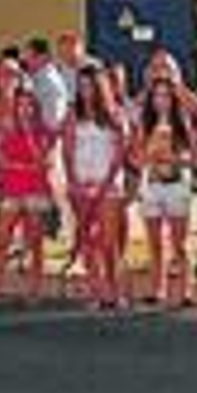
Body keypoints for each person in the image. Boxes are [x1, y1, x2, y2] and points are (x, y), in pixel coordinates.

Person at [64, 65, 129, 310]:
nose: (85, 91)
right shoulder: (72, 114)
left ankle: (116, 289)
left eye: (90, 85)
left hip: (108, 184)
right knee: (88, 239)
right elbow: (67, 150)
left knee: (108, 241)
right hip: (81, 183)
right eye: (81, 86)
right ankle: (97, 290)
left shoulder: (115, 115)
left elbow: (119, 153)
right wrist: (73, 181)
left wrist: (106, 183)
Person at [0, 83, 54, 303]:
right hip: (12, 189)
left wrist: (28, 146)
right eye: (20, 105)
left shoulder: (43, 132)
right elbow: (0, 162)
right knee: (1, 239)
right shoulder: (7, 130)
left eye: (29, 105)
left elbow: (44, 163)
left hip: (35, 189)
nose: (24, 109)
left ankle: (34, 289)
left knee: (34, 241)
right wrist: (9, 172)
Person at [135, 76, 197, 307]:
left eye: (165, 95)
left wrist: (175, 160)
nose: (160, 100)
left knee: (180, 242)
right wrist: (149, 154)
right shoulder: (145, 123)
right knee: (154, 242)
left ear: (173, 98)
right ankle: (157, 288)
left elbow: (196, 160)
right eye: (156, 95)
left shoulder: (183, 122)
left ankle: (187, 290)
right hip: (151, 186)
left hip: (177, 186)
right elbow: (136, 158)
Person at [24, 37, 70, 134]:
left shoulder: (48, 80)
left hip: (48, 134)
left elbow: (53, 120)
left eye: (31, 57)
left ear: (43, 57)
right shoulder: (39, 78)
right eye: (26, 57)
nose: (27, 61)